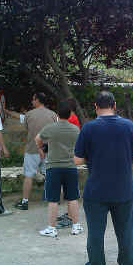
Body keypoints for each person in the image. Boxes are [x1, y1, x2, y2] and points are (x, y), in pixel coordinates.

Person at [74, 91, 133, 265]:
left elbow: (78, 159)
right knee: (126, 233)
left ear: (95, 107)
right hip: (124, 191)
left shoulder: (88, 128)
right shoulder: (128, 126)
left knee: (95, 234)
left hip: (96, 191)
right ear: (114, 105)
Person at [35, 101, 84, 237]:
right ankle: (76, 226)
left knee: (53, 199)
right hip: (70, 167)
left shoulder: (50, 128)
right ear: (69, 115)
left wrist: (41, 148)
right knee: (73, 197)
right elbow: (80, 147)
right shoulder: (75, 129)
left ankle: (51, 228)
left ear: (57, 114)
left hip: (53, 167)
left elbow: (37, 139)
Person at [5, 92, 58, 210]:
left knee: (28, 176)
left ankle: (25, 202)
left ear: (38, 100)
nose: (32, 102)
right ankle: (54, 199)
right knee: (50, 174)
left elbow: (23, 123)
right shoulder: (53, 115)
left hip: (32, 149)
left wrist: (6, 111)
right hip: (49, 150)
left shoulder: (29, 115)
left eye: (33, 99)